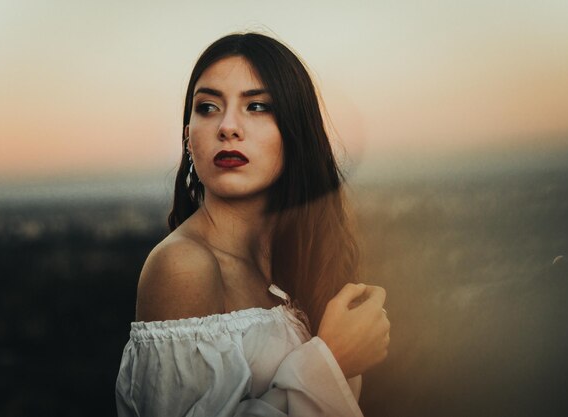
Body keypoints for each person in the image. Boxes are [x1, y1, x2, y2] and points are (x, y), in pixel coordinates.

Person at [115, 32, 390, 417]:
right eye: (208, 107)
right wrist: (329, 363)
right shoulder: (183, 266)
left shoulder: (294, 259)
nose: (227, 127)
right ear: (187, 136)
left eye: (257, 106)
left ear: (295, 132)